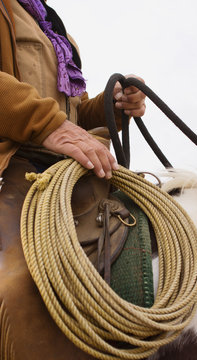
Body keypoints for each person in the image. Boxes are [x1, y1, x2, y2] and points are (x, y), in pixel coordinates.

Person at [0, 0, 146, 359]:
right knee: (15, 288)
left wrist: (111, 107)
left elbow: (73, 111)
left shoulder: (55, 27)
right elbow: (52, 120)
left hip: (66, 172)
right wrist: (45, 124)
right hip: (15, 167)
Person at [0, 0, 146, 180]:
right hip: (12, 164)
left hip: (65, 168)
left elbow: (75, 119)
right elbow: (55, 124)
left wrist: (113, 104)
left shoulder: (57, 31)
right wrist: (46, 123)